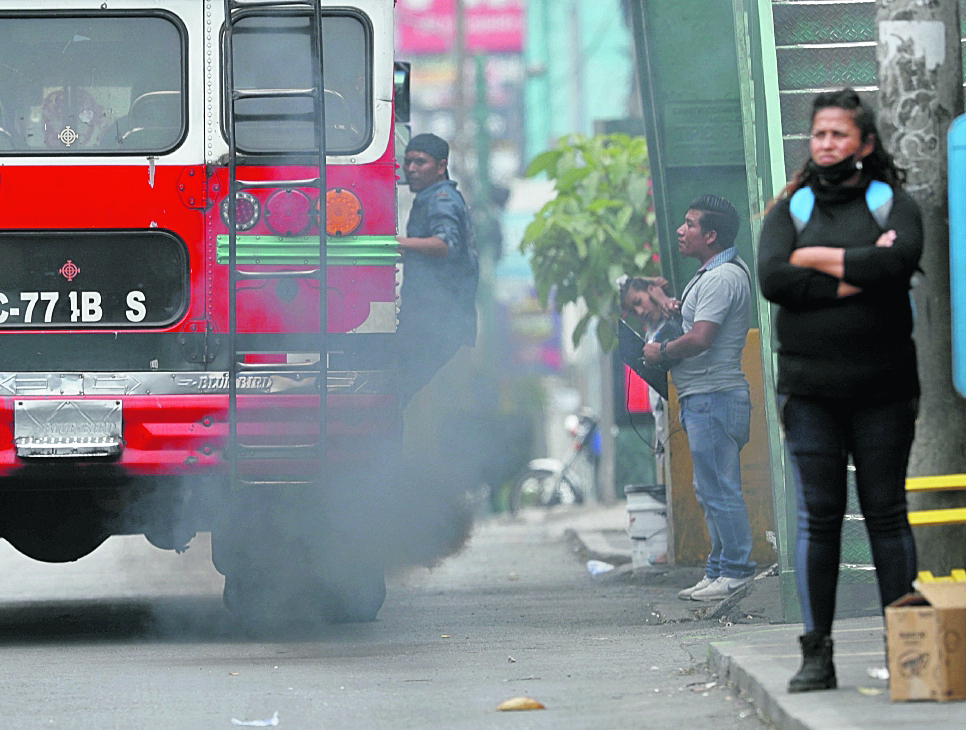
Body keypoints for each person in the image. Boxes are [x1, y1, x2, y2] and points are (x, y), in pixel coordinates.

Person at [757, 88, 922, 693]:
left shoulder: (890, 203)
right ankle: (816, 654)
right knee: (820, 519)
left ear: (865, 143)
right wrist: (858, 272)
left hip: (885, 389)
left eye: (839, 135)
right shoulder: (791, 208)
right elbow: (775, 277)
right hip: (809, 393)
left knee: (886, 513)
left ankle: (907, 652)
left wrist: (817, 258)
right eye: (820, 134)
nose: (827, 145)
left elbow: (899, 263)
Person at [641, 195, 755, 602]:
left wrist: (662, 352)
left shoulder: (723, 278)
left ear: (710, 235)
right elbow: (698, 323)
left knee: (720, 488)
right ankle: (719, 568)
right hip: (704, 397)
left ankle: (737, 569)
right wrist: (676, 311)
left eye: (689, 224)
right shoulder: (712, 274)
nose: (680, 230)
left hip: (714, 395)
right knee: (709, 488)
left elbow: (703, 338)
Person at [396, 133, 479, 405]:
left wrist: (397, 244)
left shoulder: (441, 197)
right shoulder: (435, 196)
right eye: (407, 162)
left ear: (441, 166)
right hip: (432, 320)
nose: (411, 169)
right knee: (394, 393)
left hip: (437, 322)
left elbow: (445, 245)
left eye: (420, 162)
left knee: (390, 393)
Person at [619, 276, 674, 485]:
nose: (640, 312)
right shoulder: (651, 330)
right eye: (633, 311)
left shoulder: (674, 315)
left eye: (638, 302)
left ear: (651, 291)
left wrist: (661, 297)